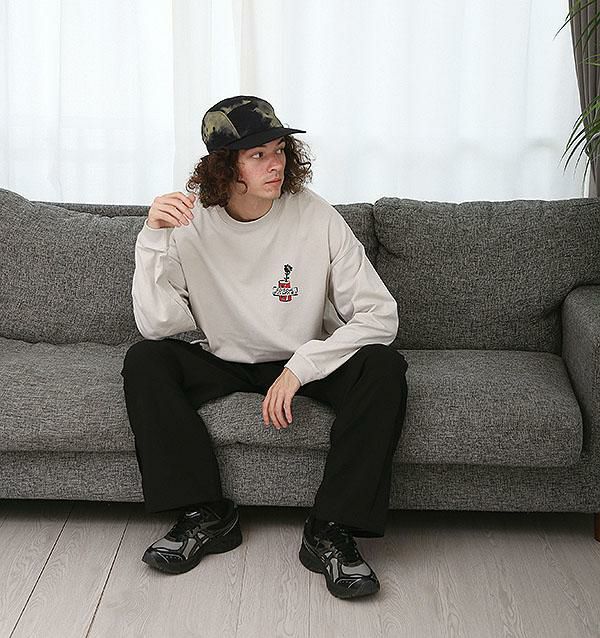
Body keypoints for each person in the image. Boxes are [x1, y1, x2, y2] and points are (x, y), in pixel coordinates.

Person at [120, 95, 409, 600]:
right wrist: (152, 240)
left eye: (279, 150)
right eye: (258, 155)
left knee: (384, 367)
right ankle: (207, 516)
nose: (276, 163)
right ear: (223, 166)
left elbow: (380, 315)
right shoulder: (189, 222)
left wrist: (302, 367)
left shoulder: (315, 215)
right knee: (145, 360)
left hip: (301, 359)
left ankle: (330, 531)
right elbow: (157, 325)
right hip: (224, 359)